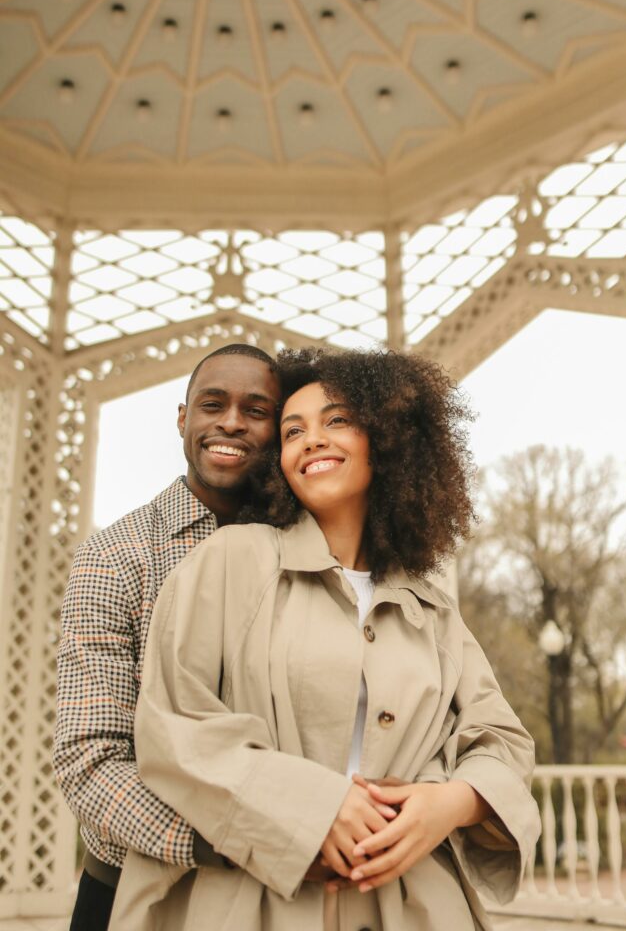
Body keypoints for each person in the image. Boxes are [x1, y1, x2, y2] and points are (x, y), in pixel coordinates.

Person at [109, 347, 541, 931]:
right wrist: (313, 809)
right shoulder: (231, 560)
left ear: (386, 440)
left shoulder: (430, 605)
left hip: (414, 906)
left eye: (336, 420)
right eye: (292, 431)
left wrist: (448, 804)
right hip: (250, 902)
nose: (312, 439)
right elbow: (175, 724)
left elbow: (500, 740)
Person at [53, 343, 282, 931]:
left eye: (256, 410)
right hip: (137, 885)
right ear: (184, 419)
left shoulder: (310, 550)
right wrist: (243, 842)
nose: (231, 421)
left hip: (291, 894)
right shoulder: (114, 556)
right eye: (213, 404)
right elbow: (89, 759)